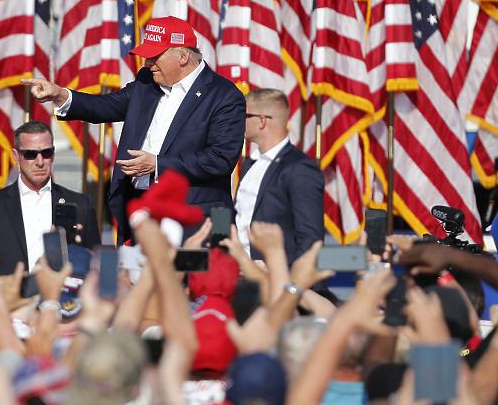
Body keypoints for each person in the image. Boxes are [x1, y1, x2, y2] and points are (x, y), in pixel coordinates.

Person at [22, 16, 246, 245]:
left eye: (155, 56)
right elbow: (106, 106)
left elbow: (220, 159)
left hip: (200, 219)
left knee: (192, 280)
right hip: (144, 214)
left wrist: (158, 164)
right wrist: (60, 95)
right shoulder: (146, 83)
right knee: (140, 279)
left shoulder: (224, 96)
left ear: (183, 56)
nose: (147, 63)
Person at [0, 120, 101, 276]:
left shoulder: (80, 205)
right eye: (30, 154)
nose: (40, 162)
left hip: (64, 298)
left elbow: (96, 265)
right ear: (16, 156)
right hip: (8, 298)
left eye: (46, 153)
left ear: (53, 155)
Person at [235, 88, 324, 264]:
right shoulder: (249, 164)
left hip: (277, 281)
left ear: (261, 121)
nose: (237, 121)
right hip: (243, 279)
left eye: (243, 116)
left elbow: (310, 239)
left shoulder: (300, 168)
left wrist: (286, 283)